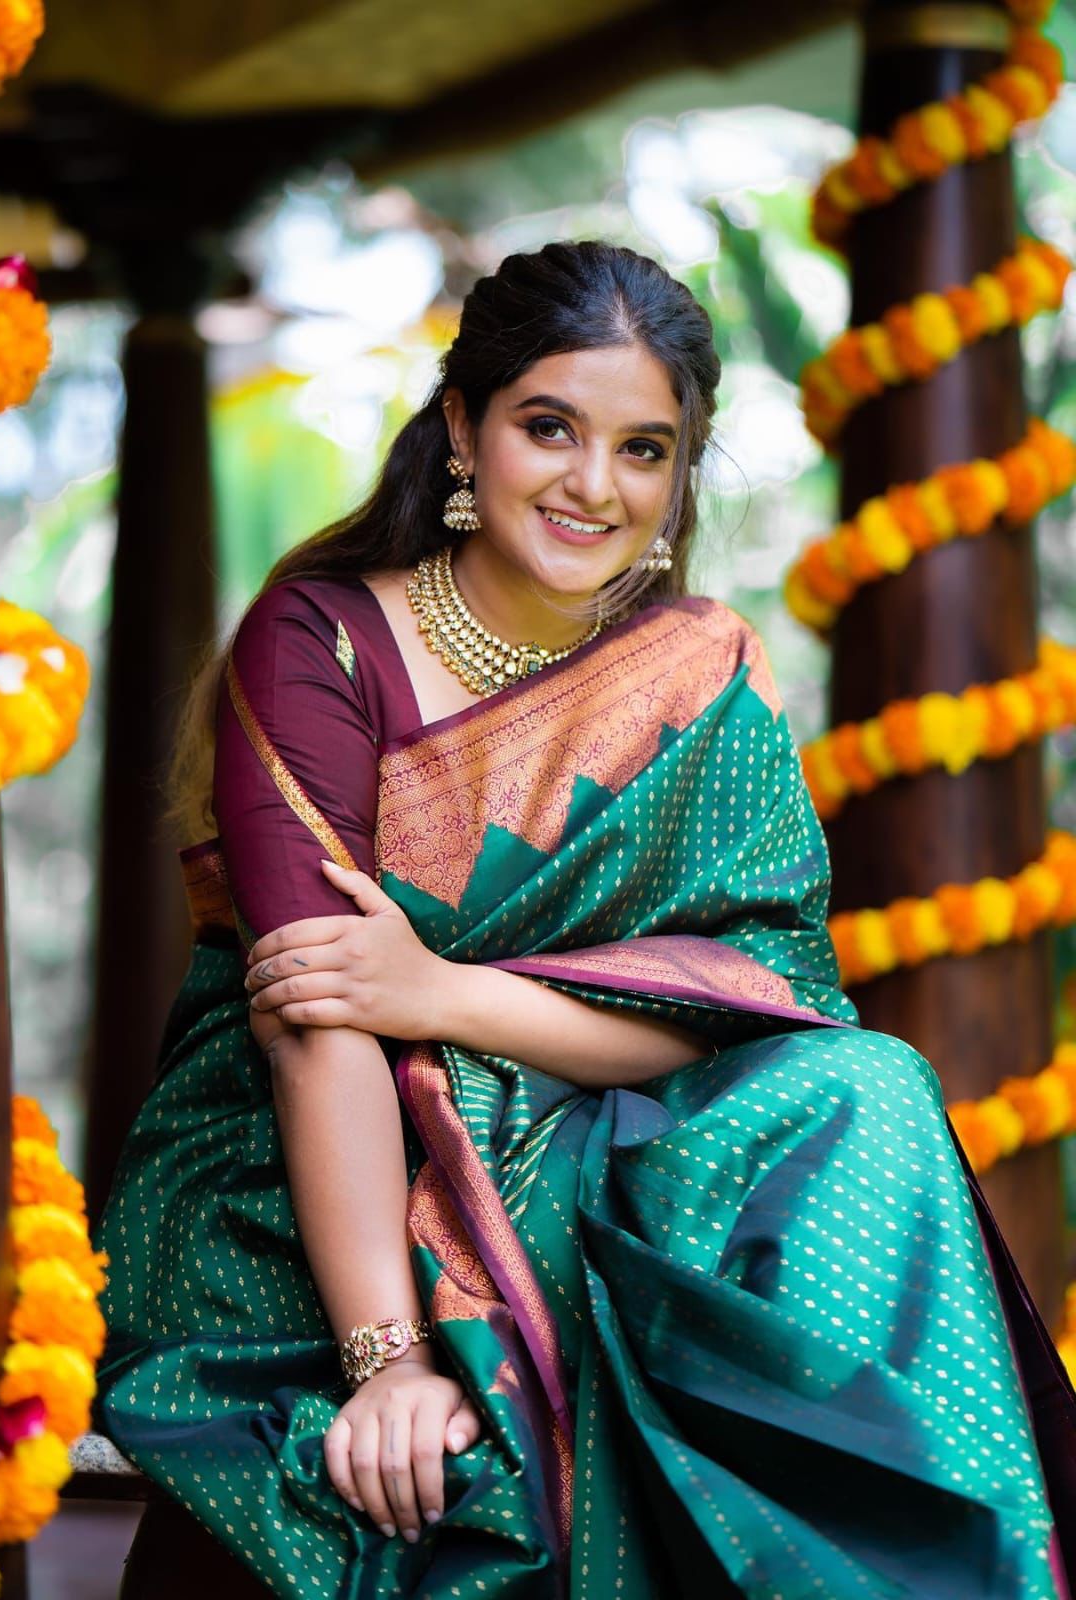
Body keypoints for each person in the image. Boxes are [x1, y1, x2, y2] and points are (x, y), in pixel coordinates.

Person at [95, 241, 1076, 1599]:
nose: (593, 486)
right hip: (325, 1157)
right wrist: (390, 1360)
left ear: (681, 474)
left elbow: (738, 1011)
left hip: (596, 1116)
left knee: (870, 1087)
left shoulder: (696, 675)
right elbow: (321, 1015)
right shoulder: (321, 642)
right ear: (463, 428)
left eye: (643, 450)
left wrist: (437, 992)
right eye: (549, 428)